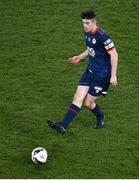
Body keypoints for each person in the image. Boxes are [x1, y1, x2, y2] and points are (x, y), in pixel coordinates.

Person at [47, 10, 118, 134]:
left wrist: (113, 76)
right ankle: (63, 126)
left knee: (88, 103)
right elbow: (91, 49)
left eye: (87, 23)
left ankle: (100, 116)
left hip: (102, 75)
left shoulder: (102, 36)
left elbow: (114, 54)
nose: (84, 25)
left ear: (94, 22)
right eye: (83, 23)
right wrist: (79, 57)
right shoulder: (87, 33)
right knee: (77, 98)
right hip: (90, 71)